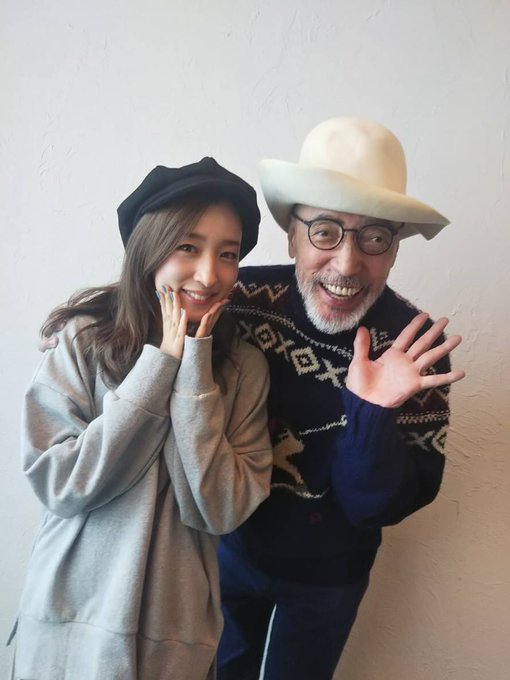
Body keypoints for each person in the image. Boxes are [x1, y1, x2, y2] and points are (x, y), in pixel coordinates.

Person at [216, 117, 465, 680]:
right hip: (226, 550)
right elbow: (162, 312)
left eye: (375, 237)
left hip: (329, 580)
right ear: (292, 235)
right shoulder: (241, 300)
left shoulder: (416, 353)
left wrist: (372, 414)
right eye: (325, 230)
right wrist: (89, 324)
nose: (348, 263)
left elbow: (373, 509)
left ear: (394, 248)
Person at [10, 158, 273, 680]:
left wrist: (193, 371)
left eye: (228, 254)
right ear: (149, 248)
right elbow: (60, 481)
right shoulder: (85, 341)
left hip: (174, 640)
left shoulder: (243, 368)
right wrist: (158, 367)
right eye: (188, 247)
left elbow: (222, 509)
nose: (208, 275)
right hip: (68, 624)